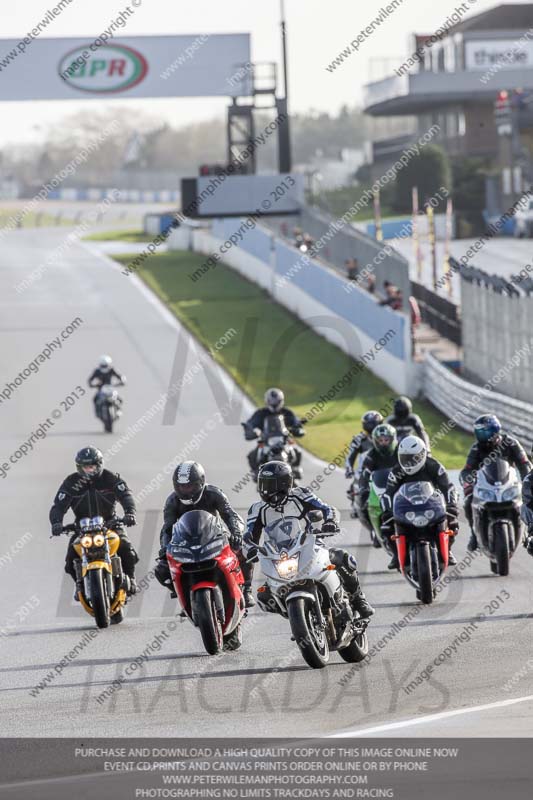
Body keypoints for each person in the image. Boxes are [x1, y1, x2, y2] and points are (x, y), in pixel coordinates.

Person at [244, 461, 374, 618]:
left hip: (310, 547)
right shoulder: (257, 509)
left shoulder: (300, 495)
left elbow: (327, 509)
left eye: (270, 485)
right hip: (280, 557)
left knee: (343, 558)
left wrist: (330, 522)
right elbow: (249, 535)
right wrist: (250, 548)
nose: (265, 490)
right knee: (264, 596)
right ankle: (250, 591)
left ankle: (358, 599)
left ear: (284, 483)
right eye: (263, 484)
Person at [155, 461, 255, 608]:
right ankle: (184, 594)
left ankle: (246, 589)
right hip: (185, 542)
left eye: (189, 486)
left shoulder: (214, 493)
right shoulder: (172, 501)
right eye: (181, 486)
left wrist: (236, 533)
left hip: (215, 536)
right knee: (162, 569)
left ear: (200, 482)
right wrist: (165, 547)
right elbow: (167, 528)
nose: (185, 490)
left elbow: (230, 515)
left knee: (244, 550)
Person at [49, 447, 138, 597]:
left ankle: (131, 578)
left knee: (126, 548)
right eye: (86, 467)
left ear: (99, 465)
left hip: (110, 524)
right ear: (79, 467)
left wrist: (130, 513)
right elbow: (58, 506)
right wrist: (56, 523)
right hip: (82, 529)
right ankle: (79, 584)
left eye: (92, 466)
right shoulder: (71, 482)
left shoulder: (110, 478)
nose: (89, 470)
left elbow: (125, 495)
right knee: (70, 559)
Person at [381, 436, 459, 570]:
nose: (409, 462)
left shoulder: (435, 466)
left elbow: (448, 487)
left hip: (431, 505)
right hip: (407, 508)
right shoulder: (396, 472)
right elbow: (388, 493)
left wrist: (451, 504)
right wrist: (387, 510)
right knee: (386, 525)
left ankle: (448, 549)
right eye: (405, 458)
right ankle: (396, 554)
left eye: (413, 458)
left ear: (422, 455)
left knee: (452, 520)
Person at [460, 414, 530, 552]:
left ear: (494, 430)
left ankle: (529, 533)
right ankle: (474, 534)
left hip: (509, 485)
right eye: (478, 432)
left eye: (484, 432)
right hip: (487, 486)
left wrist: (526, 480)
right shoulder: (476, 449)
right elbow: (467, 470)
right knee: (468, 501)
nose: (481, 436)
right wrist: (469, 481)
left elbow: (524, 463)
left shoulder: (511, 443)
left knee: (529, 499)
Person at [242, 388, 305, 479]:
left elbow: (296, 423)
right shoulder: (261, 413)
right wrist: (251, 430)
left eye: (276, 402)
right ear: (267, 401)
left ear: (281, 401)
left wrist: (298, 429)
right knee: (252, 455)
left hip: (283, 440)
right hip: (266, 440)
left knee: (297, 451)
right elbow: (251, 423)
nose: (274, 404)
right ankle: (257, 473)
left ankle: (295, 469)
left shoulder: (287, 412)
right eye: (271, 401)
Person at [358, 423, 398, 529]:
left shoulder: (400, 451)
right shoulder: (371, 456)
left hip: (400, 486)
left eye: (386, 440)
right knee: (364, 506)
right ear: (375, 441)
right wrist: (363, 490)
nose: (383, 443)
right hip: (379, 489)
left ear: (393, 439)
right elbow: (364, 474)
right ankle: (374, 530)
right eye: (380, 440)